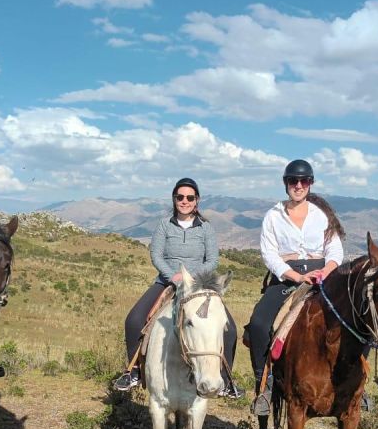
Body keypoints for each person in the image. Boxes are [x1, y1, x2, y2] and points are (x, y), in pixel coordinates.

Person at [112, 177, 243, 398]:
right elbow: (156, 254)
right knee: (134, 320)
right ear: (174, 199)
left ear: (196, 200)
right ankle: (133, 371)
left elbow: (212, 260)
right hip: (167, 281)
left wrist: (192, 278)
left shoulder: (206, 228)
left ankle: (226, 378)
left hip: (198, 285)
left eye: (189, 197)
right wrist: (172, 276)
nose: (184, 201)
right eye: (180, 197)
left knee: (229, 328)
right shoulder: (165, 224)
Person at [247, 159, 345, 415]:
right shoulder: (273, 216)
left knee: (354, 318)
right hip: (287, 279)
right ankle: (263, 386)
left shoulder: (322, 215)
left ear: (310, 184)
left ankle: (356, 384)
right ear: (286, 184)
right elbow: (269, 253)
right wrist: (295, 276)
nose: (298, 186)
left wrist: (325, 271)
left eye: (304, 181)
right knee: (258, 324)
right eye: (293, 181)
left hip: (322, 276)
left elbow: (334, 248)